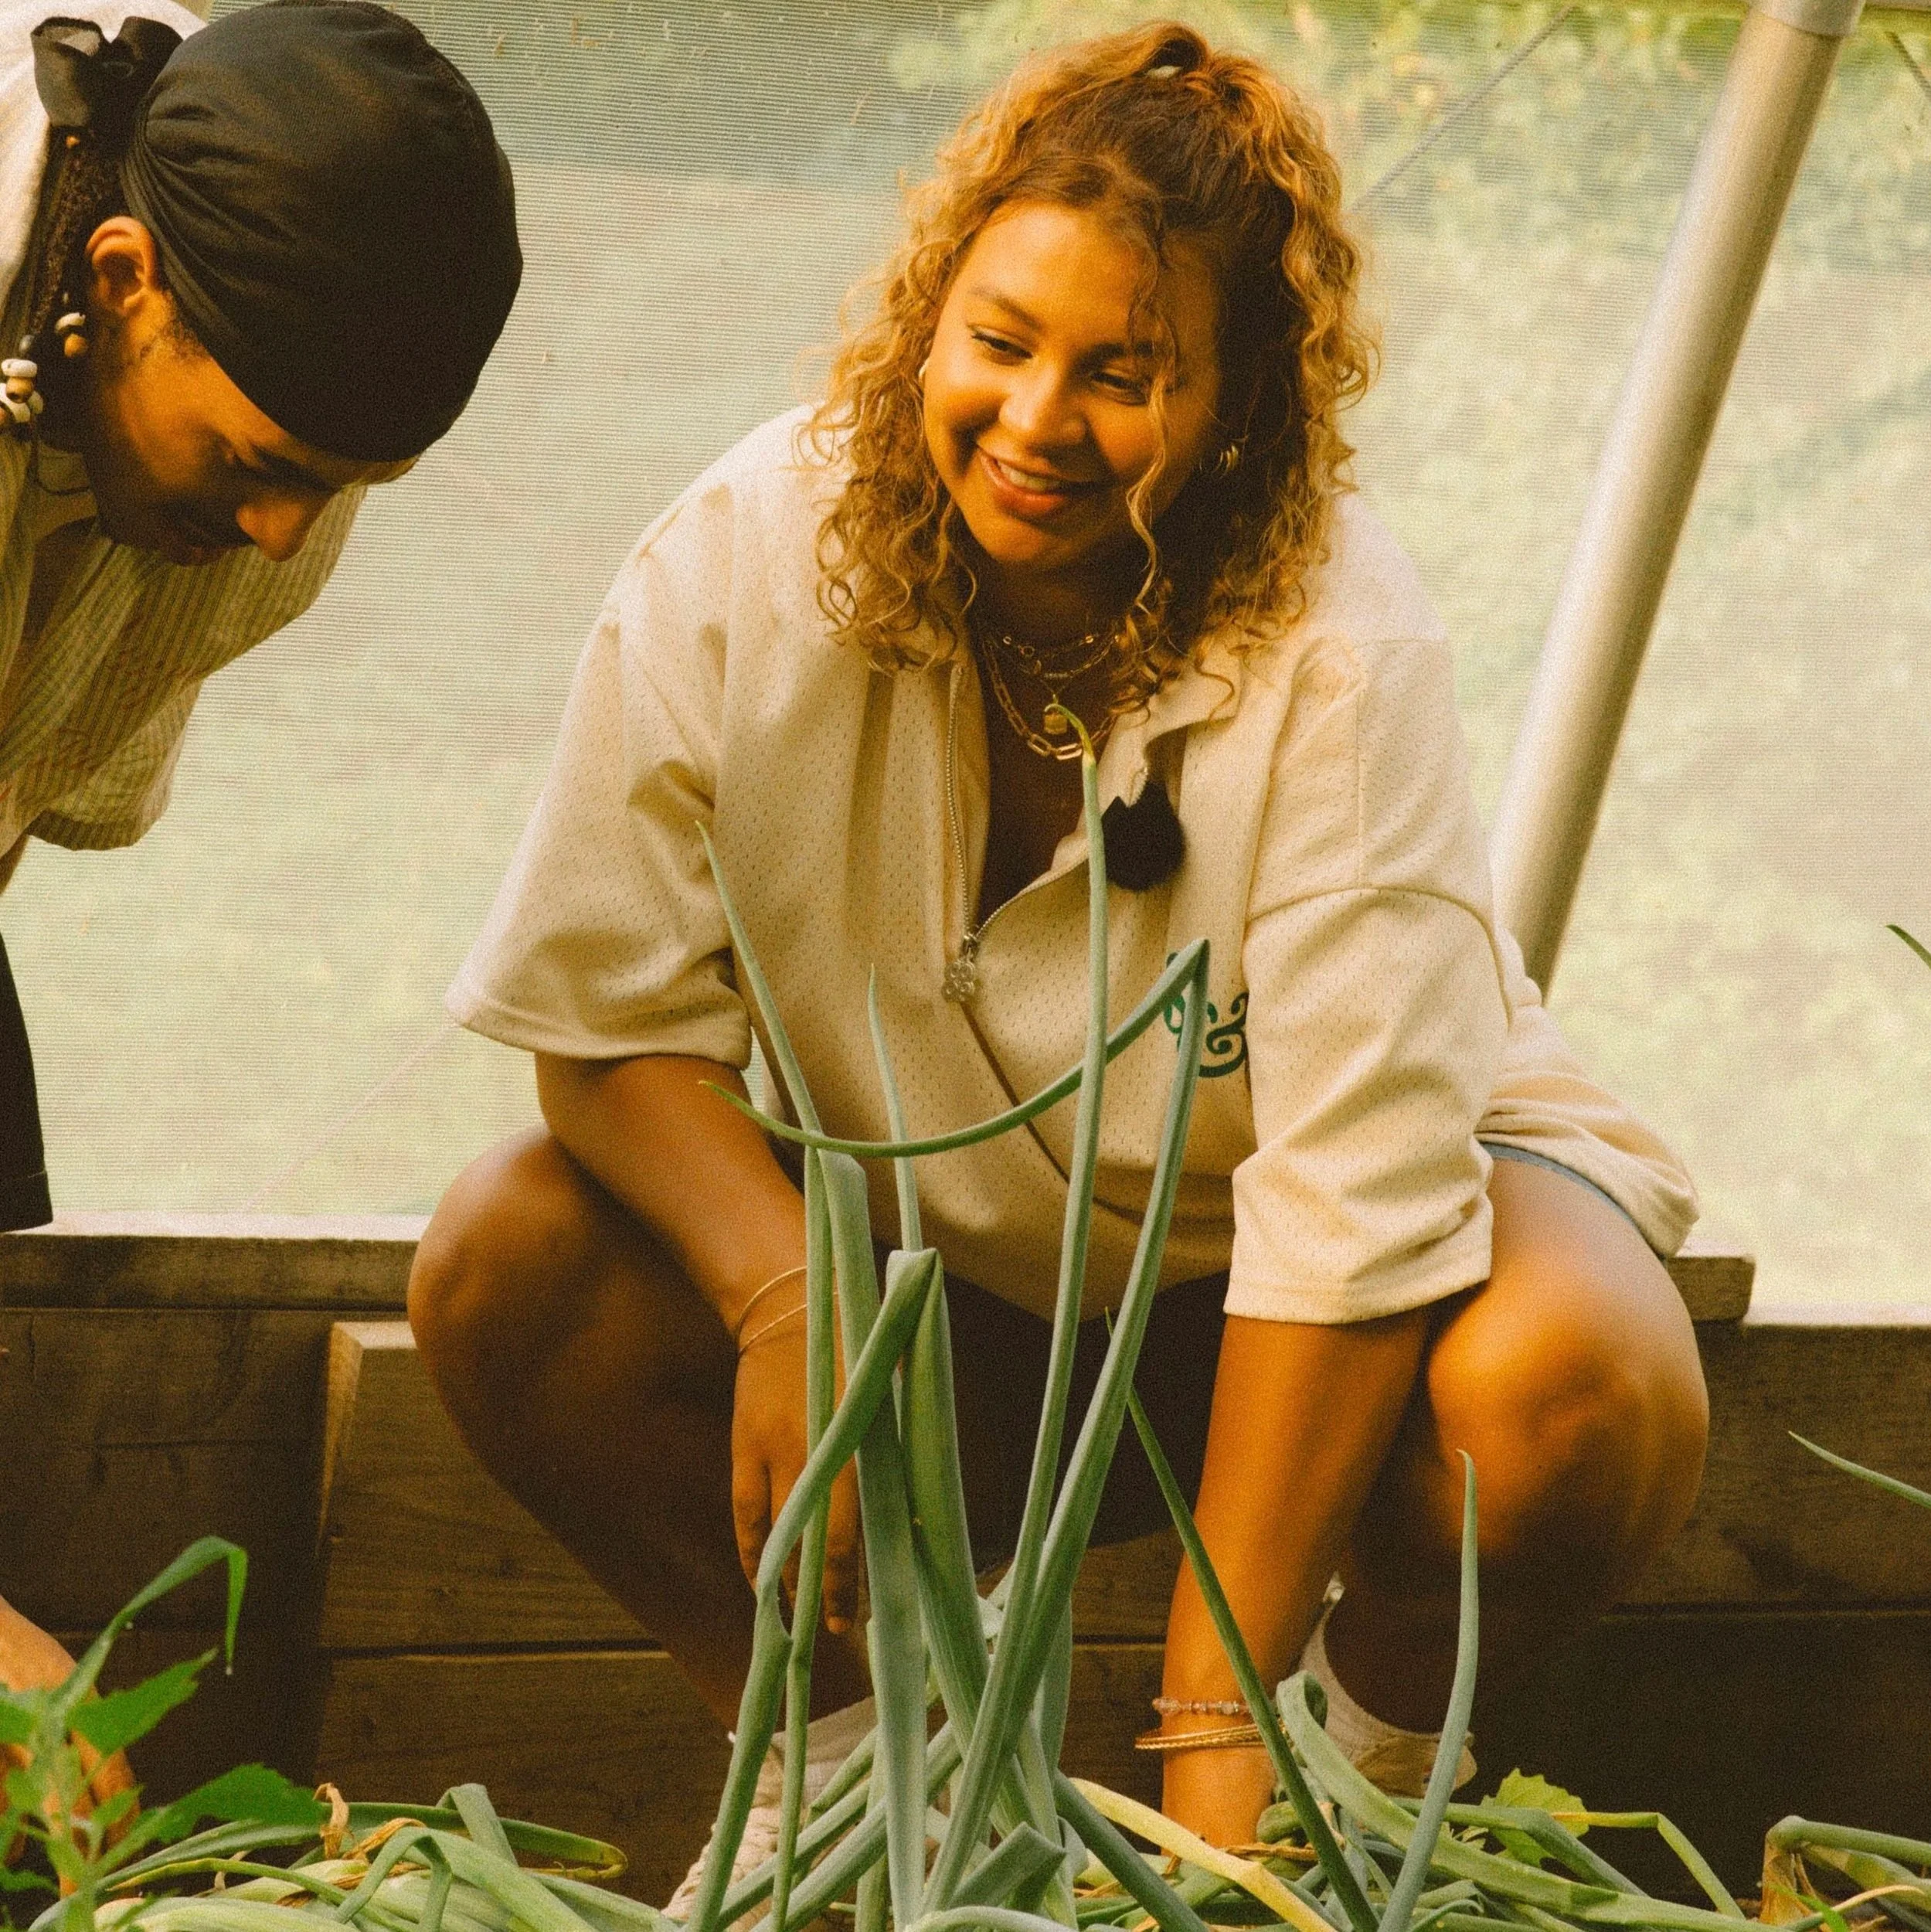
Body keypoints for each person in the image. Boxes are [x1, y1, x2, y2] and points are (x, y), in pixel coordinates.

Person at [409, 17, 1709, 1889]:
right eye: (999, 341)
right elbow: (603, 1015)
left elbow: (1354, 1197)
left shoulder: (1340, 648)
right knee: (507, 1258)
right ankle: (852, 1772)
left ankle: (1342, 1796)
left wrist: (1206, 1779)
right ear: (929, 315)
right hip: (953, 1293)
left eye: (1122, 372)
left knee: (1568, 1382)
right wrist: (791, 1300)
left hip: (1339, 1279)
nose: (1034, 420)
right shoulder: (745, 553)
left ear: (1241, 399)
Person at [0, 0, 522, 1783]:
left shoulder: (238, 440)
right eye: (259, 466)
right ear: (124, 278)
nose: (289, 531)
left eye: (342, 486)